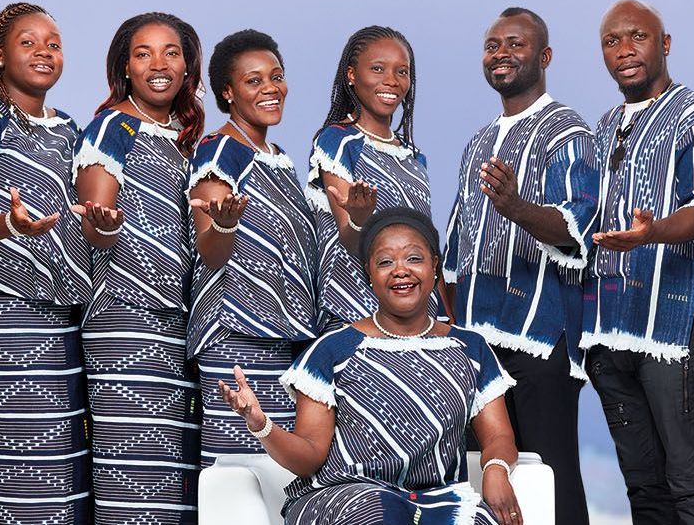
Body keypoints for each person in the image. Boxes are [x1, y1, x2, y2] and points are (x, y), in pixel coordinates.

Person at [220, 207, 523, 525]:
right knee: (378, 509)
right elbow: (308, 456)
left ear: (435, 267)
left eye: (414, 258)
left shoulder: (470, 348)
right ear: (369, 275)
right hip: (345, 496)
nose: (400, 270)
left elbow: (498, 436)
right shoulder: (333, 350)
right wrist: (260, 424)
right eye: (385, 262)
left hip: (438, 500)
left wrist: (496, 470)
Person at [442, 7, 597, 525]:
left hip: (541, 339)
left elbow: (577, 229)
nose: (501, 54)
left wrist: (516, 207)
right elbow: (456, 249)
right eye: (492, 46)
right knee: (483, 477)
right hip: (476, 342)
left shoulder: (568, 132)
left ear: (544, 56)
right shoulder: (477, 143)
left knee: (550, 477)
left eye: (515, 44)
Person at [581, 0, 694, 524]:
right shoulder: (601, 129)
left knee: (690, 482)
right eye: (611, 41)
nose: (624, 51)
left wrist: (654, 233)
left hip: (672, 330)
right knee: (643, 488)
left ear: (664, 43)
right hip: (608, 332)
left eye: (637, 37)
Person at [0, 2, 92, 523]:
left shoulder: (70, 128)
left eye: (53, 42)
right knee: (13, 465)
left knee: (62, 470)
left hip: (60, 310)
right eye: (28, 42)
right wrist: (12, 225)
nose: (44, 51)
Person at [72, 12, 205, 524]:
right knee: (133, 482)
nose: (159, 64)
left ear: (188, 67)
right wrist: (104, 227)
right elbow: (96, 226)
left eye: (171, 53)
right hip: (126, 323)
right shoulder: (113, 126)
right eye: (143, 53)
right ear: (125, 67)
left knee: (174, 484)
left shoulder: (187, 137)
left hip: (178, 326)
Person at [187, 30, 320, 466]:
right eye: (253, 80)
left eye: (276, 76)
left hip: (285, 339)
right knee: (240, 474)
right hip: (238, 339)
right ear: (228, 92)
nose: (270, 88)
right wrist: (224, 226)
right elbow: (210, 251)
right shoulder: (220, 149)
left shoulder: (277, 156)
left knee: (278, 477)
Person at [307, 26, 436, 330]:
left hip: (415, 315)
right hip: (354, 312)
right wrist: (359, 218)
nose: (391, 81)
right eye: (378, 69)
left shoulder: (414, 157)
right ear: (351, 75)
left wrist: (445, 316)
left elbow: (426, 244)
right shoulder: (337, 141)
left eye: (401, 72)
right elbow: (349, 239)